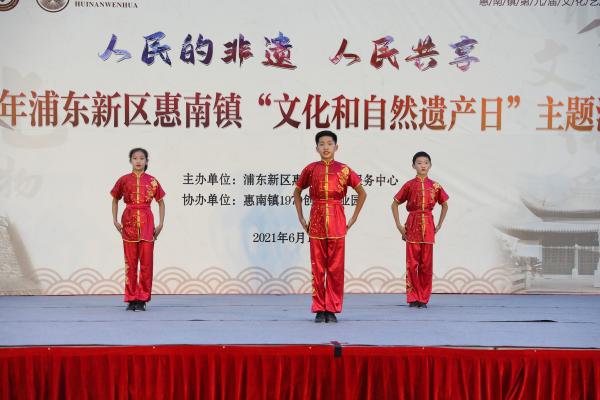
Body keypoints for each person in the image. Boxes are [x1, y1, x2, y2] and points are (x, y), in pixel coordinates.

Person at [294, 130, 367, 323]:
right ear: (316, 148)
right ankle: (320, 309)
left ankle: (332, 308)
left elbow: (362, 193)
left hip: (337, 219)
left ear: (336, 147)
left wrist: (354, 218)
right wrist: (301, 217)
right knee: (317, 267)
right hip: (316, 218)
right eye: (322, 144)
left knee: (335, 268)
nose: (326, 147)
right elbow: (297, 192)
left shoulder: (344, 169)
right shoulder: (310, 169)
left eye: (329, 143)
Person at [391, 151, 448, 308]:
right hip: (412, 224)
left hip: (428, 225)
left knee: (426, 265)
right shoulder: (409, 185)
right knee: (412, 264)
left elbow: (445, 204)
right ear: (413, 166)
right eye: (419, 163)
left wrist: (439, 225)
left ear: (430, 165)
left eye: (426, 163)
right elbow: (394, 204)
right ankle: (413, 297)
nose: (423, 165)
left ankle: (423, 298)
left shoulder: (435, 186)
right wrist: (398, 225)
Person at [110, 148, 165, 311]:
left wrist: (161, 224)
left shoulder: (152, 181)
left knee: (147, 263)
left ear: (146, 161)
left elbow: (161, 202)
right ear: (130, 161)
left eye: (142, 158)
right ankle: (131, 298)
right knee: (131, 263)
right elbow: (115, 199)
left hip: (147, 223)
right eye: (135, 158)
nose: (138, 161)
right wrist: (115, 220)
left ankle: (142, 299)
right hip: (129, 222)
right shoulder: (123, 180)